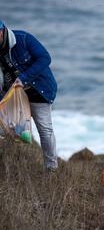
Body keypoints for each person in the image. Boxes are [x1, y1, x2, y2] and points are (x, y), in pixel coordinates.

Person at [0, 19, 58, 171]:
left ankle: (51, 169)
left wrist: (23, 78)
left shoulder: (23, 39)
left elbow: (45, 58)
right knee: (6, 131)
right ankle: (8, 167)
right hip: (13, 95)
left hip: (39, 91)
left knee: (45, 130)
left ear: (3, 30)